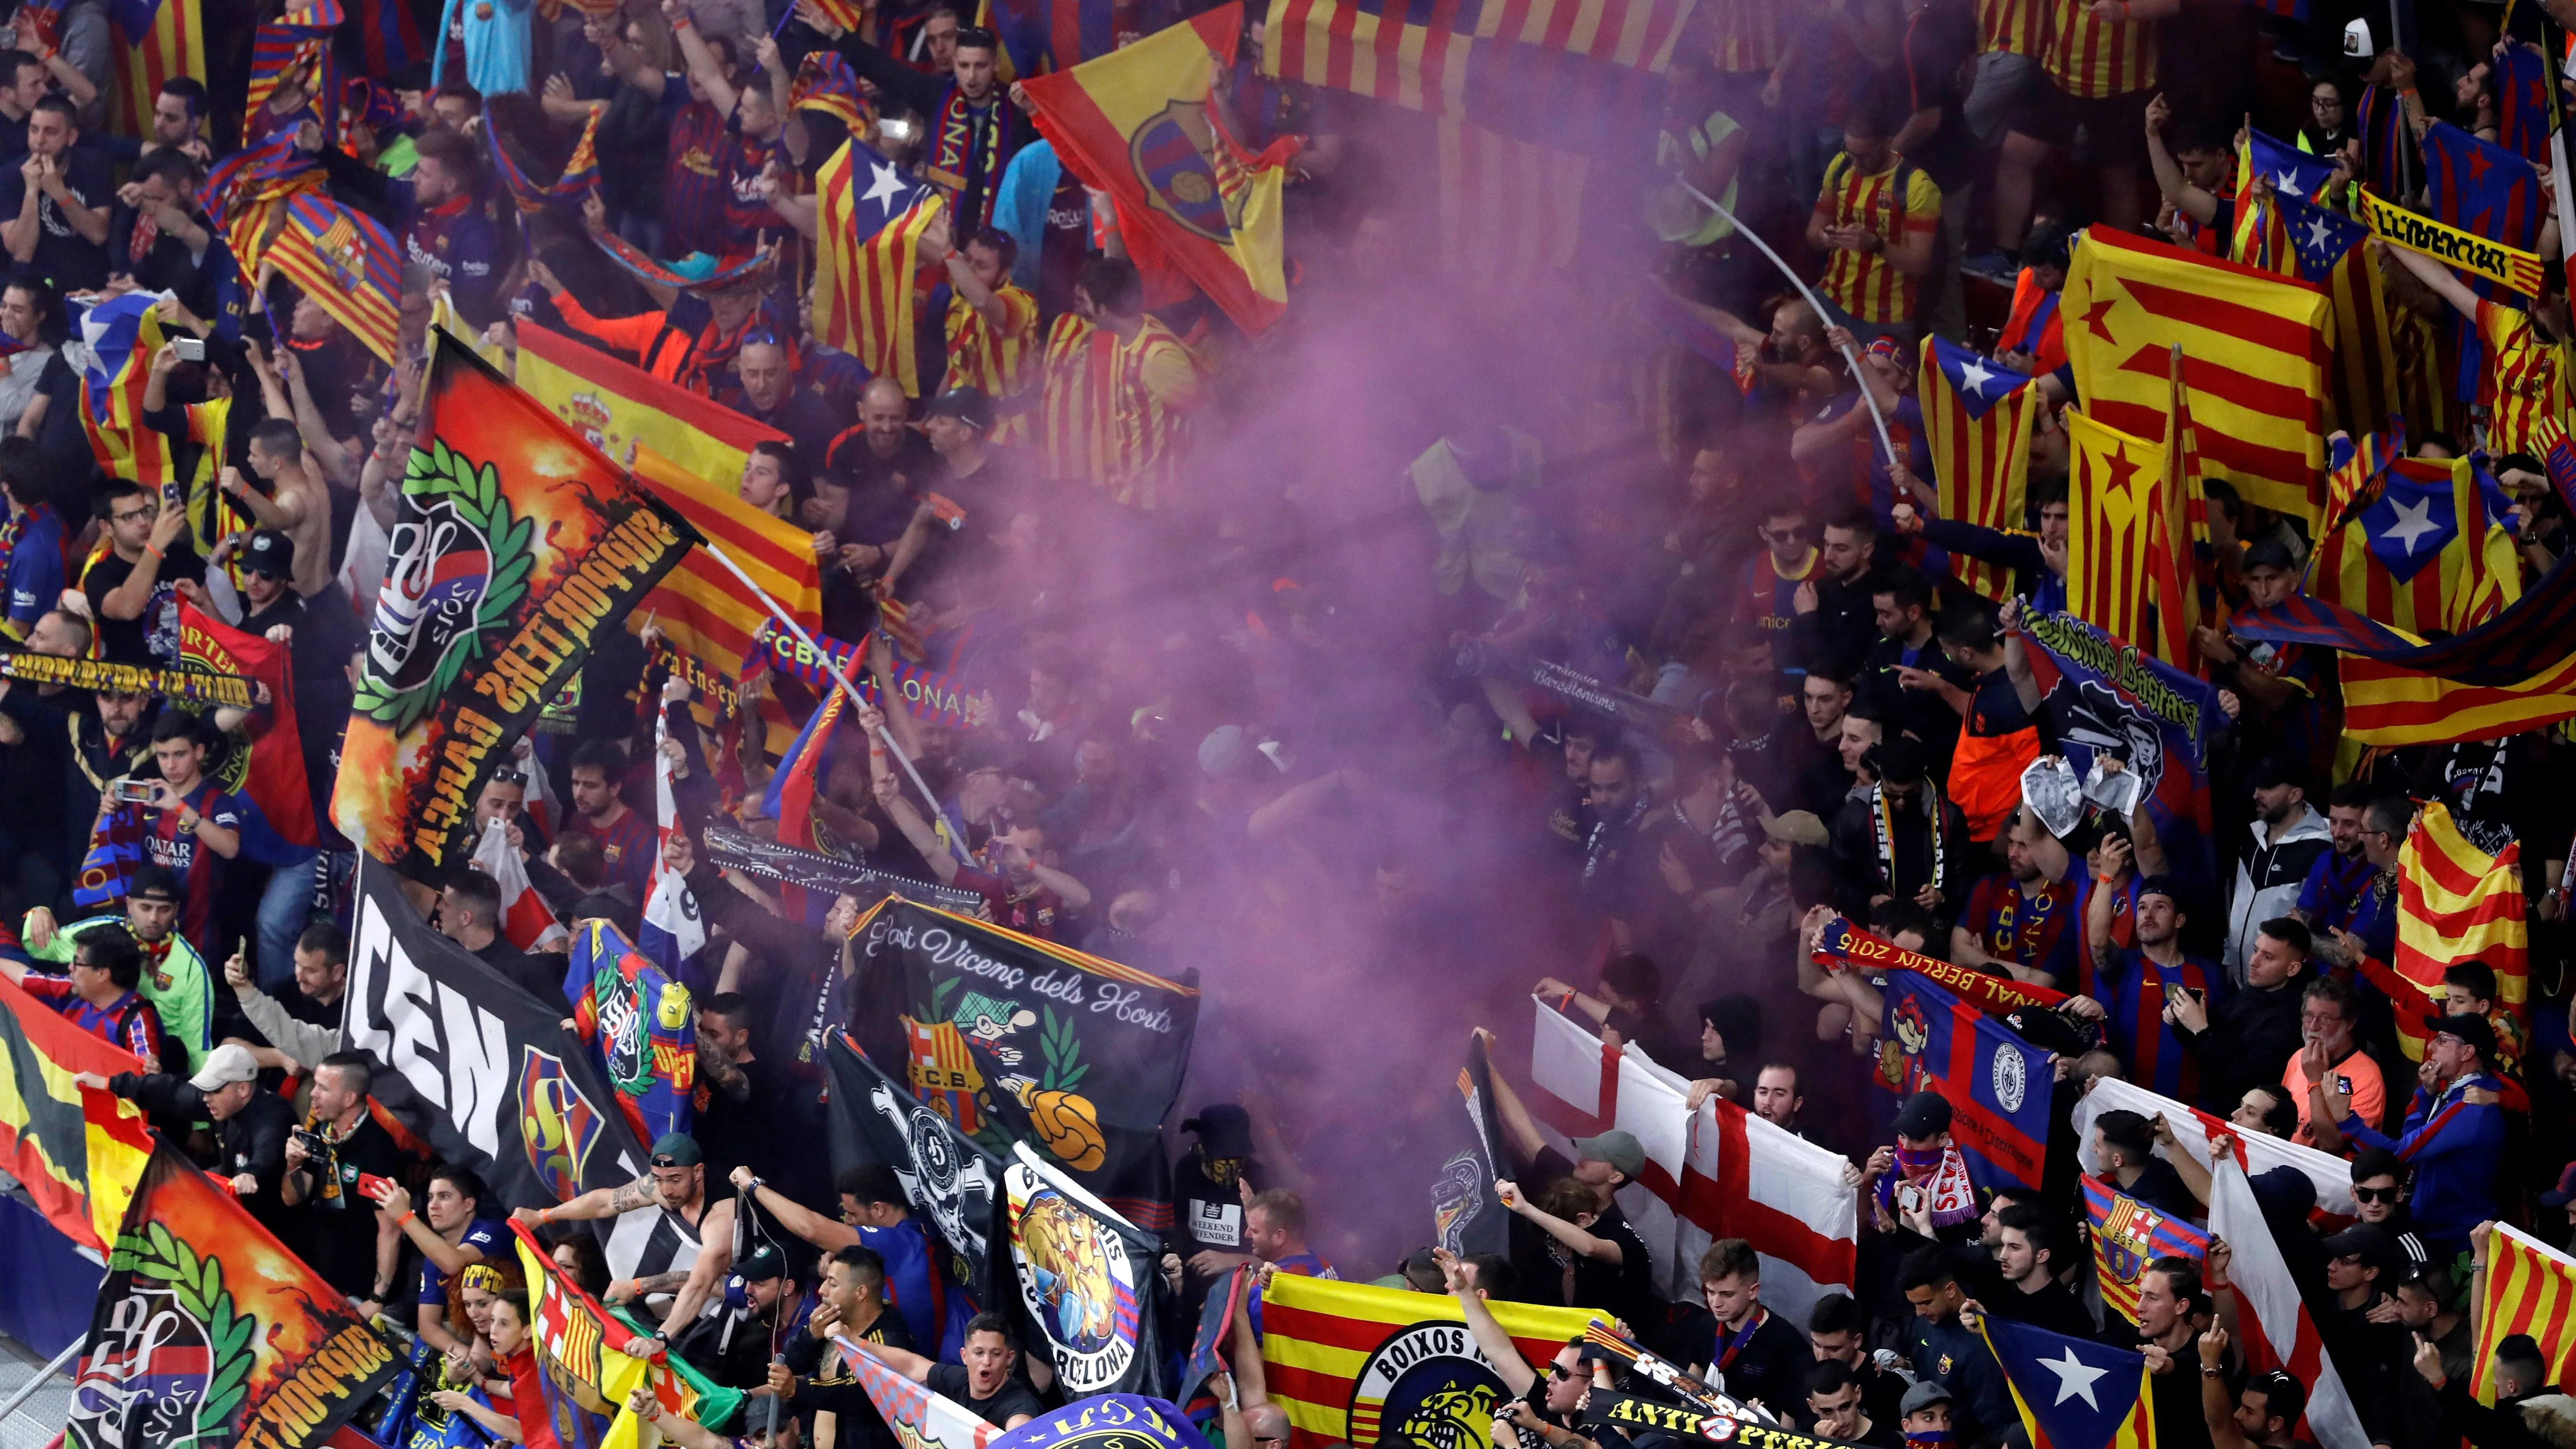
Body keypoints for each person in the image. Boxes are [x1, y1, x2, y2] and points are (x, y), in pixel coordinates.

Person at [730, 1163, 972, 1359]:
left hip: (937, 1365)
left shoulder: (899, 1242)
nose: (848, 1221)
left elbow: (811, 1228)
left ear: (878, 1210)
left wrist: (753, 1186)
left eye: (853, 1214)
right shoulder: (919, 1229)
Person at [2327, 1016, 2508, 1255]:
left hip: (2455, 1244)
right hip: (2435, 1228)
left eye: (2442, 1041)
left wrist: (2347, 1121)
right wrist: (2426, 1095)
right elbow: (2412, 1143)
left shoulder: (2472, 1107)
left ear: (2467, 1052)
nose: (2431, 1047)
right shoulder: (2456, 1092)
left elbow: (2401, 1153)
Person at [515, 1133, 714, 1337]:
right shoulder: (658, 1188)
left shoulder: (720, 1219)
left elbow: (709, 1281)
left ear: (697, 1173)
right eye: (658, 1179)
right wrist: (542, 1216)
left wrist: (638, 1287)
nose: (666, 1190)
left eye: (675, 1180)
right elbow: (604, 1203)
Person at [20, 865, 211, 1069]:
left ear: (176, 910)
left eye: (164, 910)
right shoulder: (102, 934)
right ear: (129, 904)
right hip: (93, 1039)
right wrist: (40, 913)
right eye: (146, 908)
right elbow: (39, 947)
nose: (154, 918)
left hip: (151, 1061)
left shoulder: (193, 967)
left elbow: (197, 1049)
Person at [85, 1042, 291, 1225]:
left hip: (274, 1230)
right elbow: (170, 1092)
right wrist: (109, 1084)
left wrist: (251, 1173)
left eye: (214, 1091)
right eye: (206, 1090)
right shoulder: (222, 1102)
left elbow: (269, 1147)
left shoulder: (274, 1116)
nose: (206, 1099)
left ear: (243, 1089)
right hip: (235, 1210)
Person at [278, 1050, 406, 1306]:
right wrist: (292, 1166)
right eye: (315, 1084)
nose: (313, 1093)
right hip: (317, 1266)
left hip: (355, 1281)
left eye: (323, 1088)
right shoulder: (320, 1128)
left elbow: (389, 1231)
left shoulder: (377, 1151)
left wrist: (377, 1298)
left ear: (349, 1098)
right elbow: (292, 1198)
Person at [772, 1312, 1042, 1429]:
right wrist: (855, 1341)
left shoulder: (1017, 1402)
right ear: (964, 1356)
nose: (986, 1363)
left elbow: (1022, 1430)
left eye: (996, 1355)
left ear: (1010, 1359)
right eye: (979, 1353)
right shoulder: (957, 1379)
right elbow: (911, 1365)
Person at [2088, 875, 2220, 1103]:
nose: (2148, 915)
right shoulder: (2121, 965)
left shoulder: (2210, 974)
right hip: (2127, 1104)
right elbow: (2098, 942)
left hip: (2190, 1113)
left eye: (2160, 907)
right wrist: (2106, 876)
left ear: (2179, 920)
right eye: (2142, 908)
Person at [1, 918, 164, 1065]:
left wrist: (150, 1064)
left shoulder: (136, 1019)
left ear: (102, 974)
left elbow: (146, 1066)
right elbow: (24, 977)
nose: (70, 968)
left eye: (77, 963)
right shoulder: (72, 987)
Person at [2222, 759, 2332, 979]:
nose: (2256, 795)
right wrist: (2229, 957)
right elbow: (2234, 901)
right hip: (2238, 980)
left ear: (2295, 795)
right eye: (2256, 786)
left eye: (2267, 788)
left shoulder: (2322, 847)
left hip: (2284, 989)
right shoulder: (2251, 835)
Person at [1896, 1248, 2012, 1446]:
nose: (1919, 1313)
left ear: (1950, 1290)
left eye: (1925, 1303)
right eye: (1915, 1304)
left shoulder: (1980, 1342)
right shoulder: (1930, 1317)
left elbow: (1994, 1424)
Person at [1681, 1239, 1810, 1413]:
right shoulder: (1705, 1326)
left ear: (1753, 1291)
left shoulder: (1785, 1343)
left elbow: (1796, 1413)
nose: (1715, 1303)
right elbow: (1694, 1376)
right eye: (1711, 1292)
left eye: (1727, 1294)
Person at [223, 921, 346, 1072]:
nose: (300, 976)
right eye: (297, 964)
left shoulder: (356, 1010)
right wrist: (280, 1058)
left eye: (311, 971)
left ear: (337, 972)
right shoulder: (282, 992)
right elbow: (228, 1048)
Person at [2286, 975, 2385, 1149]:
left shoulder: (2368, 1078)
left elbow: (2332, 1147)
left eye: (2325, 1019)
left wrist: (2315, 1082)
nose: (2313, 1026)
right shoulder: (2299, 1057)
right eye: (2309, 1015)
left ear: (2349, 1024)